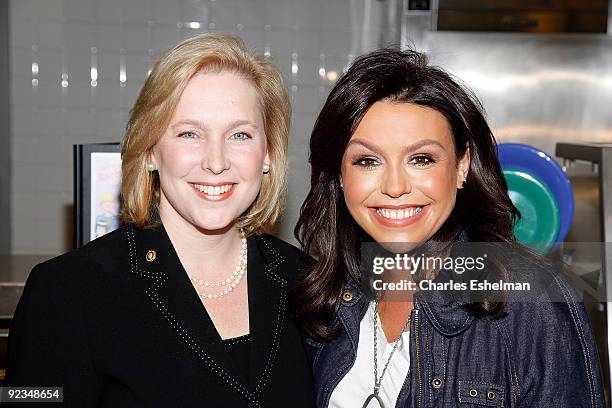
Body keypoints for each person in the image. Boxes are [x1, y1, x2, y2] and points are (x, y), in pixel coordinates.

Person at [6, 34, 315, 408]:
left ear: (267, 154)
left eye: (239, 135)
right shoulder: (67, 292)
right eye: (189, 133)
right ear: (150, 150)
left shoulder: (307, 282)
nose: (216, 162)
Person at [292, 48, 605, 407]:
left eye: (421, 159)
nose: (395, 187)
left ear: (461, 166)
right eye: (367, 160)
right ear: (340, 176)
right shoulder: (327, 296)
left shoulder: (532, 303)